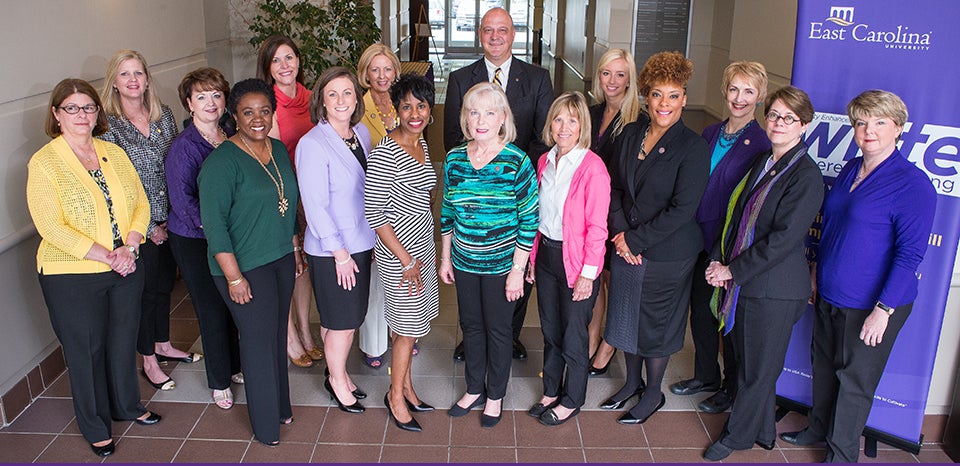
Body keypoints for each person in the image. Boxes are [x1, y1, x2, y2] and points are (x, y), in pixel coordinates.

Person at [778, 90, 936, 463]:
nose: (869, 130)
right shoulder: (851, 168)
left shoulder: (913, 185)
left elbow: (910, 253)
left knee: (854, 384)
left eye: (880, 122)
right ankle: (818, 428)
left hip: (871, 304)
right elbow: (831, 227)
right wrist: (816, 270)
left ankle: (842, 454)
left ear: (899, 128)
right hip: (831, 291)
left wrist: (884, 309)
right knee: (825, 368)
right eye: (861, 122)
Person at [27, 78, 161, 458]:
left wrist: (131, 245)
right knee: (86, 351)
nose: (82, 115)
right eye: (72, 108)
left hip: (126, 265)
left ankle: (127, 406)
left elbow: (140, 203)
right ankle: (95, 425)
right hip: (72, 274)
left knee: (122, 343)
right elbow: (51, 226)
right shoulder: (45, 161)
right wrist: (109, 255)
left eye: (88, 107)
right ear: (56, 114)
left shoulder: (111, 153)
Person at [701, 85, 824, 461]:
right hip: (750, 285)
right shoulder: (765, 161)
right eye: (773, 115)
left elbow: (783, 240)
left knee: (757, 372)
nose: (778, 123)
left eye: (788, 118)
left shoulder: (805, 176)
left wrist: (730, 271)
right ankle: (765, 433)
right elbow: (737, 218)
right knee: (752, 362)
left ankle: (735, 438)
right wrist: (720, 262)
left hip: (774, 291)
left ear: (803, 125)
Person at [602, 51, 708, 425]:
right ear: (646, 96)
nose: (665, 103)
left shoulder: (693, 147)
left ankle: (652, 393)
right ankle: (631, 383)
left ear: (685, 98)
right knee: (627, 315)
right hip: (626, 242)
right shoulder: (631, 132)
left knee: (655, 325)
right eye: (658, 94)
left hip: (667, 253)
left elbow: (683, 209)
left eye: (674, 95)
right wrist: (620, 234)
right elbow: (614, 186)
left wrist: (636, 240)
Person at [444, 6, 554, 364]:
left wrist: (507, 164)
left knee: (514, 268)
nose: (495, 36)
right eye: (488, 30)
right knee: (472, 267)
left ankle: (509, 335)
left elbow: (543, 137)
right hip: (475, 190)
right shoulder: (461, 78)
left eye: (502, 30)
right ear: (480, 34)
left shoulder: (537, 78)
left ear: (513, 34)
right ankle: (472, 337)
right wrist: (483, 167)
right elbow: (451, 137)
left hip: (517, 185)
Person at [197, 78, 302, 446]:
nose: (257, 118)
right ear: (234, 116)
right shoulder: (220, 163)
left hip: (279, 259)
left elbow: (284, 200)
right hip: (243, 267)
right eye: (247, 112)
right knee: (257, 342)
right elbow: (215, 226)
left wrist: (293, 245)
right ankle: (265, 425)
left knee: (274, 336)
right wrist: (234, 277)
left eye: (264, 111)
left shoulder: (276, 148)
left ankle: (280, 407)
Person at [670, 61, 772, 414]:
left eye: (748, 91)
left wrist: (723, 253)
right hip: (695, 236)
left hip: (728, 245)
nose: (739, 98)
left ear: (760, 97)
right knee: (700, 310)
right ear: (724, 91)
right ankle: (705, 375)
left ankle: (730, 388)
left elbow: (747, 203)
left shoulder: (761, 143)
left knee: (724, 316)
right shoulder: (711, 132)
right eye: (734, 89)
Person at [98, 50, 199, 393]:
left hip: (172, 218)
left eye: (138, 73)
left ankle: (162, 343)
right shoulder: (106, 125)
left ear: (146, 78)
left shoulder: (163, 115)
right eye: (124, 74)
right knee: (144, 293)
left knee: (163, 287)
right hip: (136, 226)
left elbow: (176, 165)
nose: (132, 80)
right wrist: (149, 226)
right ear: (114, 80)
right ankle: (149, 360)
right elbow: (117, 184)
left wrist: (173, 216)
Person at [440, 82, 539, 428]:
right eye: (473, 111)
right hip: (465, 262)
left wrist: (517, 271)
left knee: (498, 330)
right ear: (465, 117)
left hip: (501, 267)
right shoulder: (454, 158)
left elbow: (529, 220)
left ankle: (494, 395)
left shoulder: (517, 161)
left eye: (489, 112)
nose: (480, 119)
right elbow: (448, 211)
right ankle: (473, 389)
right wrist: (445, 257)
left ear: (502, 118)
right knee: (471, 326)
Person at [525, 91, 610, 426]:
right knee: (550, 329)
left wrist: (589, 275)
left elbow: (597, 228)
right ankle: (550, 390)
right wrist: (532, 258)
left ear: (582, 126)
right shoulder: (545, 160)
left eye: (572, 120)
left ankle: (572, 399)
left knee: (574, 334)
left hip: (576, 263)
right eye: (558, 119)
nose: (563, 126)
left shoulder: (593, 168)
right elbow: (538, 216)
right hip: (546, 253)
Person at [365, 73, 441, 432]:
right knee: (407, 329)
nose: (414, 113)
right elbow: (375, 214)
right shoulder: (386, 151)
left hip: (421, 249)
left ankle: (407, 386)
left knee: (411, 328)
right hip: (401, 255)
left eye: (421, 106)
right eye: (406, 105)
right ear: (395, 109)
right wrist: (407, 260)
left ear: (430, 110)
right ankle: (395, 396)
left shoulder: (422, 144)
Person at [296, 67, 374, 415]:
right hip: (332, 250)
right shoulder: (312, 143)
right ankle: (338, 382)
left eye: (347, 93)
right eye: (333, 94)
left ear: (357, 98)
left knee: (347, 318)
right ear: (321, 102)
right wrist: (340, 254)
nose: (341, 100)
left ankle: (336, 372)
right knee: (341, 322)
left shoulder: (362, 133)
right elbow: (315, 206)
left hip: (361, 240)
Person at [166, 67, 243, 410]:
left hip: (226, 235)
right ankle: (218, 381)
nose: (210, 102)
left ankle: (236, 364)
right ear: (188, 103)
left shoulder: (229, 133)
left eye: (216, 94)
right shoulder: (185, 147)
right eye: (201, 97)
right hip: (195, 239)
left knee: (231, 303)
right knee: (211, 309)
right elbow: (182, 203)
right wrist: (217, 233)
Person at [257, 34, 322, 368]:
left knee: (305, 267)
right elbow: (273, 158)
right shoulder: (266, 102)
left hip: (312, 193)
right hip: (285, 193)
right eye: (276, 60)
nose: (285, 65)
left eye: (290, 57)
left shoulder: (312, 98)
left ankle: (305, 329)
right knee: (288, 264)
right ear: (268, 67)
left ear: (299, 60)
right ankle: (290, 337)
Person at [584, 48, 645, 377]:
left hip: (619, 214)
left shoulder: (639, 121)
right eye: (607, 73)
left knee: (614, 279)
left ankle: (609, 345)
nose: (612, 81)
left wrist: (622, 225)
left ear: (630, 80)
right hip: (590, 213)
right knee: (594, 282)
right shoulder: (591, 113)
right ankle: (592, 339)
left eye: (620, 74)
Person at [356, 43, 402, 368]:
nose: (382, 76)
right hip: (370, 199)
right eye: (376, 69)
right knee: (374, 273)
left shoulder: (406, 104)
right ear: (366, 73)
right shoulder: (357, 107)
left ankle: (403, 332)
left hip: (404, 200)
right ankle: (374, 343)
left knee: (403, 268)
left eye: (387, 69)